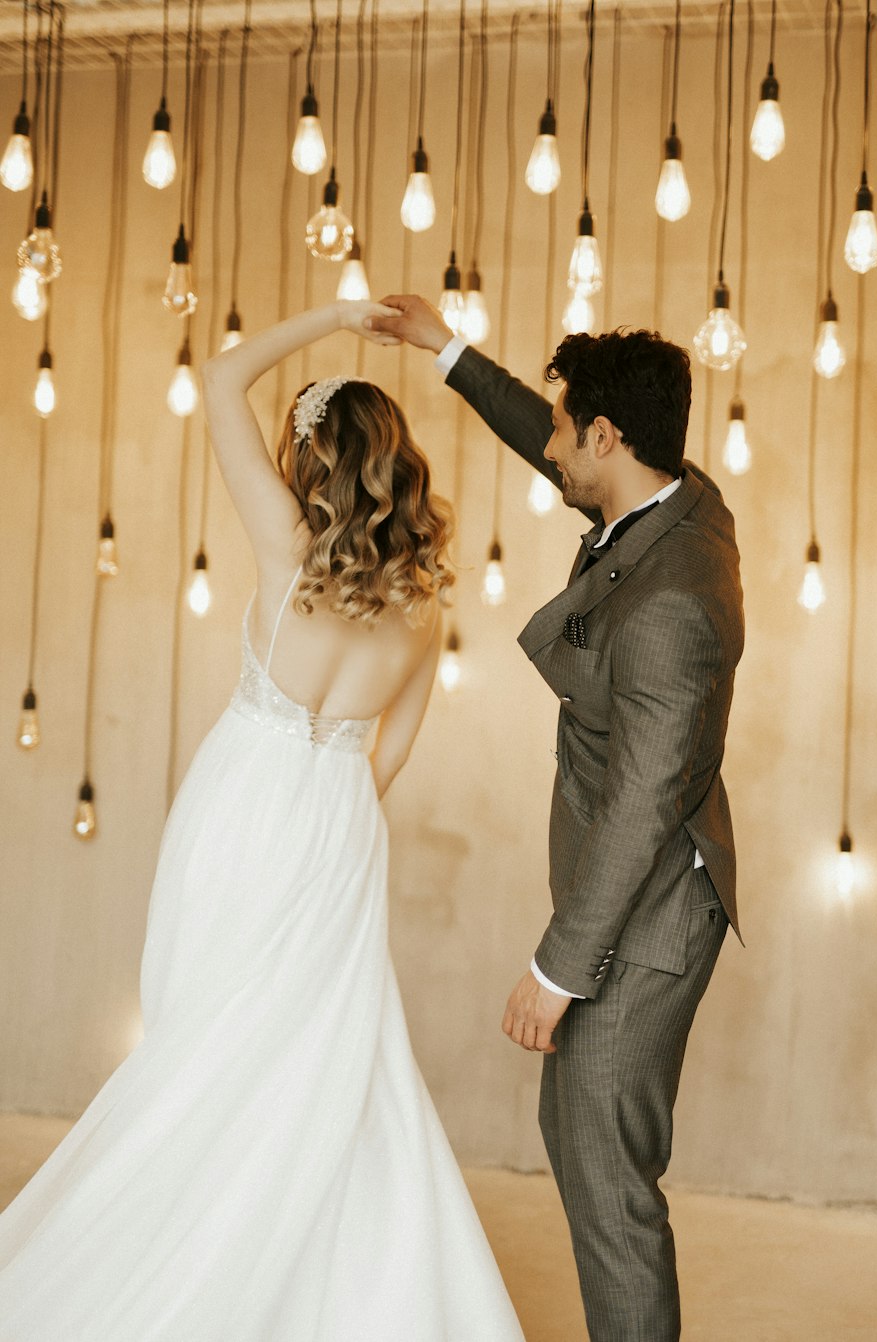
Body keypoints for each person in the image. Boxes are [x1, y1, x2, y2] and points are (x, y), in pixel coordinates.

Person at [0, 300, 525, 1342]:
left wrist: (339, 316)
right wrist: (329, 830)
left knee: (203, 1037)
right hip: (339, 821)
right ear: (396, 464)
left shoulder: (289, 554)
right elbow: (395, 747)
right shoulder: (426, 605)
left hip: (244, 806)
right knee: (328, 1049)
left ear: (310, 458)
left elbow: (221, 370)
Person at [368, 295, 745, 1342]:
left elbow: (643, 801)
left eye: (567, 428)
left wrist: (556, 966)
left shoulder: (671, 603)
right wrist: (444, 350)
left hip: (647, 916)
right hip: (632, 893)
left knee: (605, 1177)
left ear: (607, 436)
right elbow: (554, 449)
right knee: (582, 1142)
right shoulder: (671, 499)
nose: (553, 448)